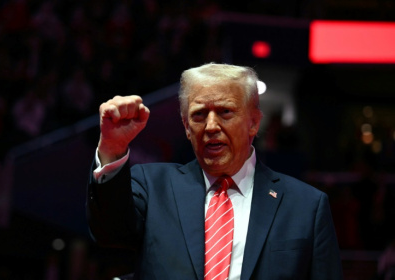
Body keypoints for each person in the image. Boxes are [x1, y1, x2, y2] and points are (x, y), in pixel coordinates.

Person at [87, 63, 343, 279]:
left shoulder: (306, 206)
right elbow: (109, 233)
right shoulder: (152, 187)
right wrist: (112, 146)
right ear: (187, 127)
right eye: (199, 115)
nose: (211, 126)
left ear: (254, 123)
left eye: (225, 112)